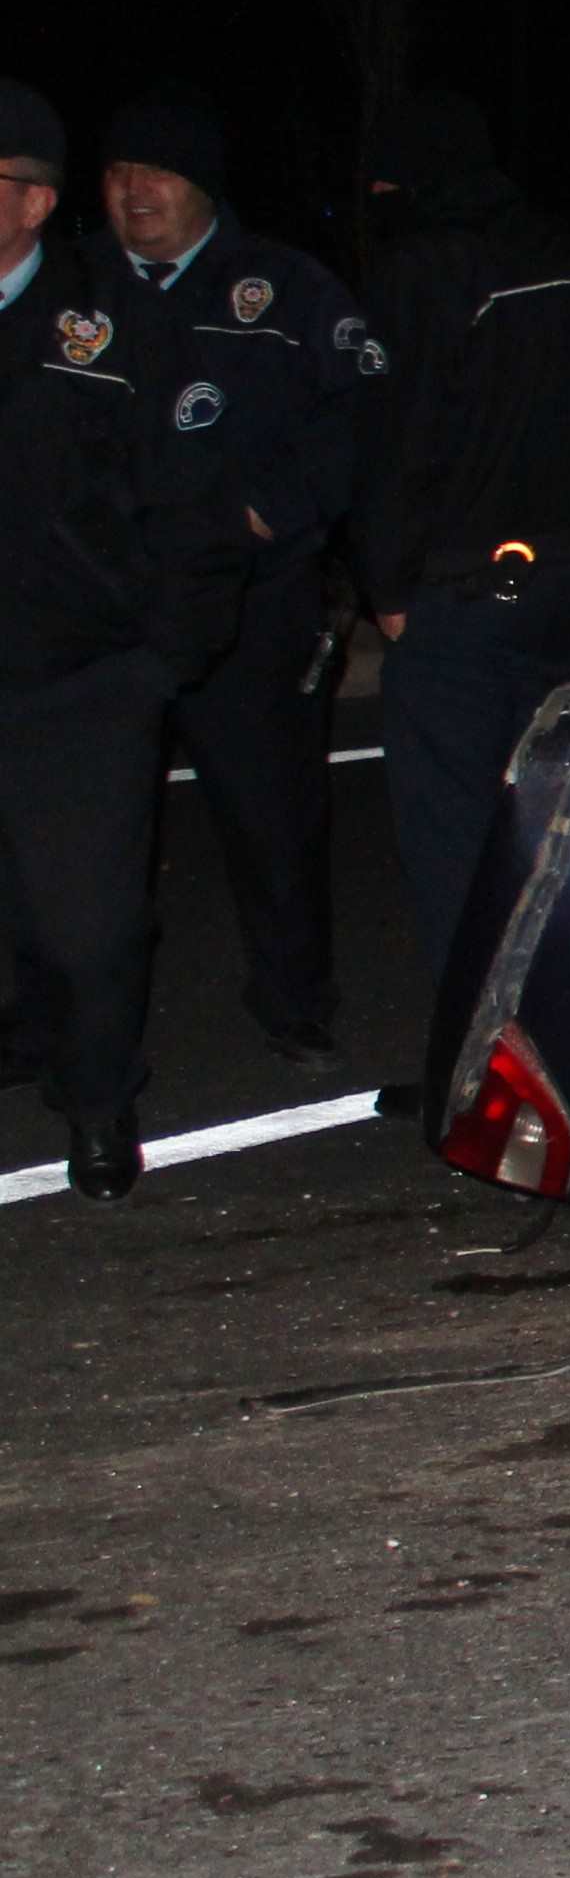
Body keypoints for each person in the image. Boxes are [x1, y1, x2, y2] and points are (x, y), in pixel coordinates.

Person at [356, 92, 570, 1118]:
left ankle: (474, 1077)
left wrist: (386, 587)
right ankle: (560, 1052)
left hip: (463, 591)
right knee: (543, 824)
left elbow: (397, 438)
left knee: (452, 843)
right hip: (562, 585)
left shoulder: (425, 265)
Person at [91, 96, 374, 1079]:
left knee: (269, 815)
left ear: (206, 188)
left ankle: (295, 1002)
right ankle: (61, 1022)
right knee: (78, 824)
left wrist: (268, 514)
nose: (136, 192)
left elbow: (356, 418)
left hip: (251, 608)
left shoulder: (284, 288)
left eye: (159, 174)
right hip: (103, 610)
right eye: (121, 171)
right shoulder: (77, 289)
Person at [0, 81, 247, 1199]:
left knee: (88, 920)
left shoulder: (105, 331)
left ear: (35, 203)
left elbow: (195, 508)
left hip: (80, 680)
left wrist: (162, 661)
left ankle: (99, 1102)